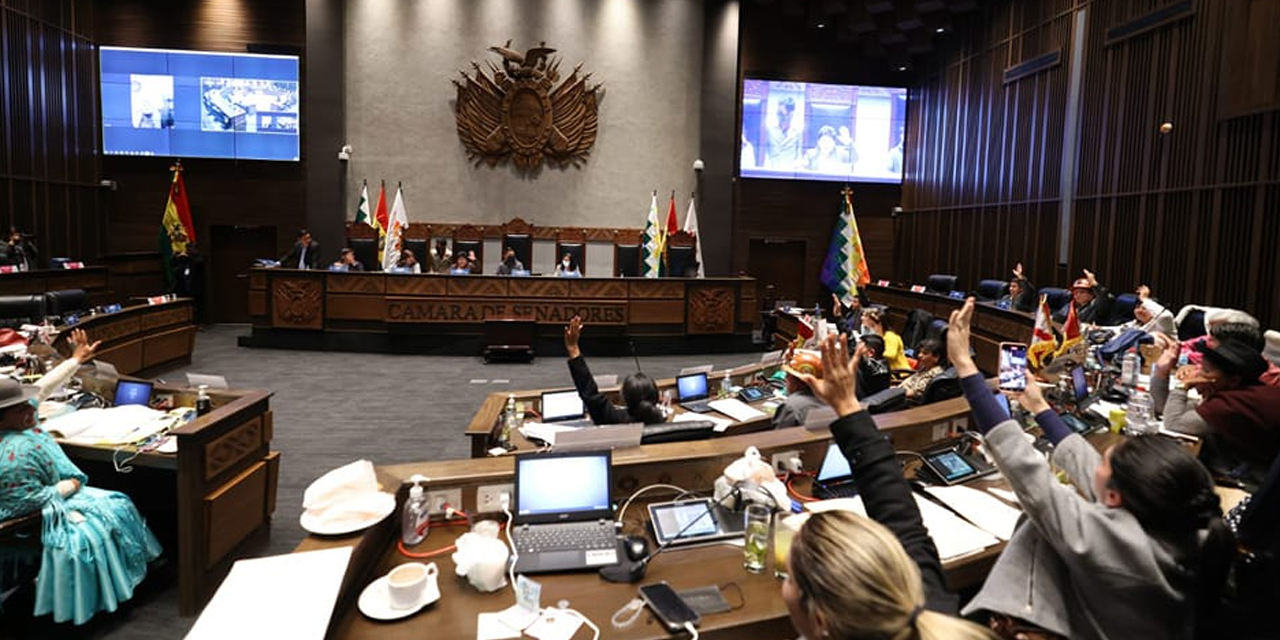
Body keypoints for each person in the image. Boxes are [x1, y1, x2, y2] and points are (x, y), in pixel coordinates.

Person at [946, 297, 1233, 640]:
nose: (1096, 463)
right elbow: (1083, 460)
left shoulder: (1109, 540)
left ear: (1113, 498)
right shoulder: (1178, 529)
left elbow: (1025, 468)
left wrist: (965, 365)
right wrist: (1038, 405)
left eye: (1106, 463)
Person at [783, 333, 994, 640]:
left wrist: (847, 407)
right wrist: (847, 408)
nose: (784, 585)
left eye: (789, 578)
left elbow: (905, 527)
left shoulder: (928, 606)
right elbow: (904, 526)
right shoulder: (927, 614)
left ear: (820, 621)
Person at [0, 328, 162, 625]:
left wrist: (75, 360)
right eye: (19, 407)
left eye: (26, 404)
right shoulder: (11, 456)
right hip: (32, 517)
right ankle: (96, 601)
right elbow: (25, 503)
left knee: (120, 502)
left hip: (54, 491)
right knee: (114, 509)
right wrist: (70, 485)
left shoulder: (21, 420)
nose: (30, 409)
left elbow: (42, 390)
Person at [1155, 338, 1280, 490]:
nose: (1197, 374)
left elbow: (1175, 424)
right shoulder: (1241, 391)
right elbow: (1167, 409)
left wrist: (1183, 386)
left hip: (1255, 481)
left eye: (1206, 371)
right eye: (1200, 367)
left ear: (1233, 381)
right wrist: (1162, 372)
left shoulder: (1234, 403)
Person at [562, 316, 665, 425]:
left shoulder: (614, 419)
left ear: (624, 397)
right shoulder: (661, 420)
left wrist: (573, 348)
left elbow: (590, 395)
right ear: (657, 398)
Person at [772, 349, 827, 429]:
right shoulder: (830, 399)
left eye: (788, 375)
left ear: (794, 380)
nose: (785, 377)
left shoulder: (790, 406)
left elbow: (780, 438)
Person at [898, 338, 946, 404]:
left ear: (936, 357)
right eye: (920, 352)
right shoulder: (925, 367)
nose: (919, 355)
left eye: (925, 353)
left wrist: (896, 393)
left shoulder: (935, 374)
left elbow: (916, 393)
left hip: (904, 401)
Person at [170, 241, 205, 323]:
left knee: (196, 306)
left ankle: (197, 323)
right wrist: (175, 257)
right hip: (182, 286)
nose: (189, 250)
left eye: (191, 248)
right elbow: (173, 266)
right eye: (188, 248)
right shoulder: (182, 258)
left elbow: (199, 263)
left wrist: (188, 256)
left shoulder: (199, 257)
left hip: (194, 287)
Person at [765, 97, 802, 170]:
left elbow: (799, 158)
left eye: (782, 113)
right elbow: (765, 155)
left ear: (791, 115)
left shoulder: (797, 133)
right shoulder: (770, 131)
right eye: (778, 113)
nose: (779, 116)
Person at [855, 333, 891, 399]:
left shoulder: (862, 367)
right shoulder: (885, 362)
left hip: (865, 404)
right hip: (882, 401)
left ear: (871, 352)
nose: (856, 349)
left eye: (859, 347)